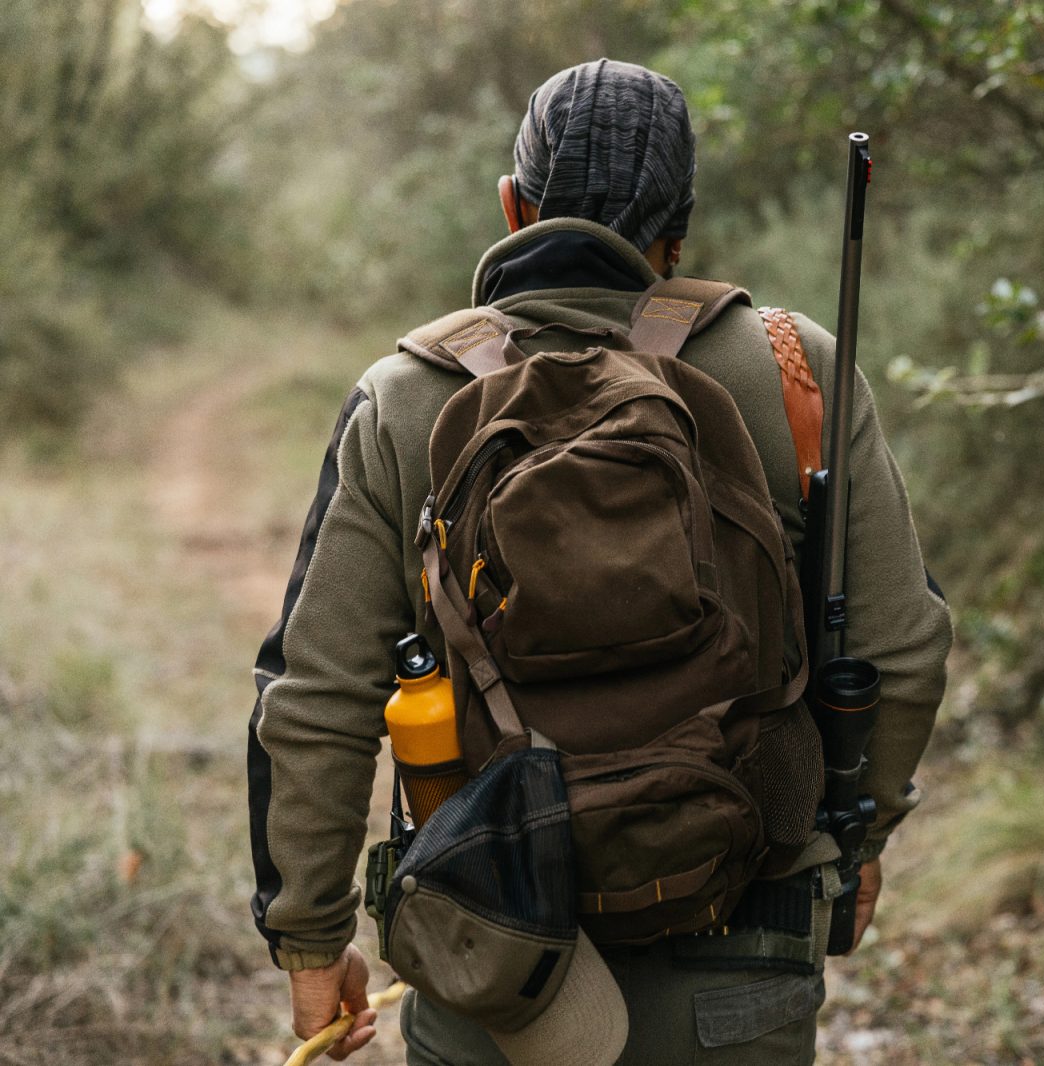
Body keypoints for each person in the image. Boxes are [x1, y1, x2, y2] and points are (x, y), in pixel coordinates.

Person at [247, 58, 951, 1065]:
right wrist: (860, 836)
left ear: (512, 207)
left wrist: (311, 939)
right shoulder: (795, 369)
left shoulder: (406, 397)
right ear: (679, 228)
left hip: (494, 959)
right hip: (742, 939)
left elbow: (314, 696)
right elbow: (904, 644)